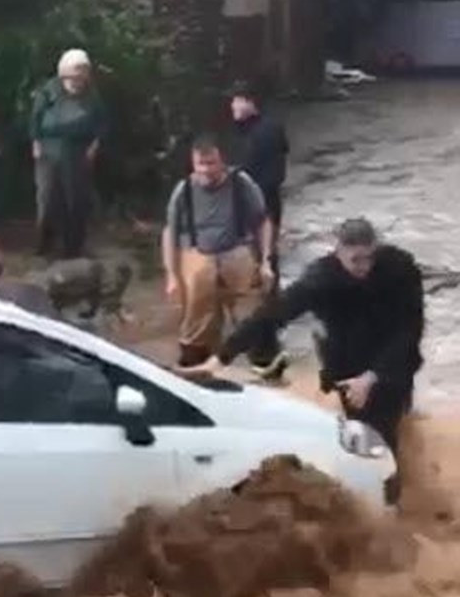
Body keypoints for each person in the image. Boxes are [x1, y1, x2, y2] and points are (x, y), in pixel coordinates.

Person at [186, 218, 424, 452]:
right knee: (363, 433)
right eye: (356, 260)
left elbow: (410, 330)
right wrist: (223, 356)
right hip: (347, 356)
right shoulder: (320, 279)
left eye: (369, 257)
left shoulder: (399, 269)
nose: (364, 266)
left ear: (376, 248)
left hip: (392, 351)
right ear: (338, 252)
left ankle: (398, 446)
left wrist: (372, 377)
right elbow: (272, 314)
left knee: (390, 414)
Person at [163, 134, 282, 373]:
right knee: (197, 316)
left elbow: (263, 222)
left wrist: (266, 260)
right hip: (198, 255)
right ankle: (195, 366)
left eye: (212, 163)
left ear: (222, 162)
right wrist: (172, 276)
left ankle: (266, 363)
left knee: (252, 311)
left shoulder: (241, 182)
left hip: (236, 250)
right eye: (201, 164)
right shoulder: (183, 190)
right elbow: (170, 234)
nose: (206, 170)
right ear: (193, 165)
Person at [30, 49, 106, 260]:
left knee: (75, 199)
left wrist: (94, 145)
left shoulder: (91, 94)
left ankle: (74, 247)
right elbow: (35, 118)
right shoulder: (49, 90)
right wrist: (35, 142)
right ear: (64, 73)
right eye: (73, 76)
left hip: (78, 150)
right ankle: (44, 245)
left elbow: (101, 123)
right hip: (49, 148)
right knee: (47, 198)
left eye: (81, 76)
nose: (77, 81)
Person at [230, 80, 289, 276]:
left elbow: (271, 174)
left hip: (262, 203)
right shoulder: (247, 130)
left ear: (251, 103)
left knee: (264, 256)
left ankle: (271, 298)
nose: (233, 105)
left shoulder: (264, 132)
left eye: (237, 100)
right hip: (259, 202)